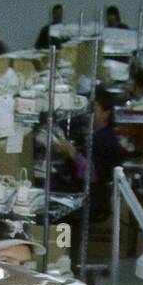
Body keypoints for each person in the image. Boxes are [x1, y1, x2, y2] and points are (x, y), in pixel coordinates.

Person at [53, 86, 124, 219]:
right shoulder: (98, 135)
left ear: (106, 113)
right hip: (91, 195)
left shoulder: (105, 139)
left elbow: (92, 175)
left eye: (94, 109)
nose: (88, 113)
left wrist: (73, 153)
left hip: (94, 200)